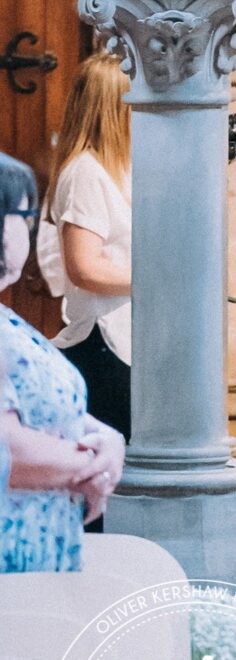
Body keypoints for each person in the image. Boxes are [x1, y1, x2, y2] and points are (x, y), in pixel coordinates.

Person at [0, 151, 124, 571]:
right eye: (24, 215)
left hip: (43, 555)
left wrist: (107, 439)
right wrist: (88, 466)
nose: (31, 230)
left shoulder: (8, 319)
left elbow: (42, 403)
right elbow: (6, 449)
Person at [40, 52, 132, 475]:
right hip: (103, 341)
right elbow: (84, 267)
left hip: (128, 340)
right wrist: (158, 280)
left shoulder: (118, 169)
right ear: (115, 106)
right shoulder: (86, 173)